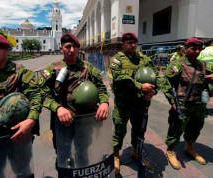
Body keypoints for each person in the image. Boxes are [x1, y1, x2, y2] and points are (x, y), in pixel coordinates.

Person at [0, 33, 42, 177]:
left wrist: (30, 120)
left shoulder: (21, 73)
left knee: (22, 172)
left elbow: (36, 97)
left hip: (16, 136)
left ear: (6, 50)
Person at [39, 33, 109, 168]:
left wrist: (105, 102)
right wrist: (57, 108)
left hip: (84, 121)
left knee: (83, 151)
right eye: (68, 46)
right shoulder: (52, 69)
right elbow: (42, 93)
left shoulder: (89, 68)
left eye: (74, 47)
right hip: (62, 122)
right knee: (63, 154)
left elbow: (101, 88)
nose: (71, 50)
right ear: (61, 49)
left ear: (78, 49)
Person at [161, 37, 213, 170]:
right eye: (193, 48)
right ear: (185, 49)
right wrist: (172, 101)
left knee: (196, 128)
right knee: (176, 128)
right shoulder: (177, 64)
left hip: (199, 104)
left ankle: (189, 147)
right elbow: (165, 82)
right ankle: (171, 150)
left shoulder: (203, 65)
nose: (196, 51)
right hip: (183, 105)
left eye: (198, 49)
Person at [110, 32, 158, 175]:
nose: (132, 45)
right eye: (128, 42)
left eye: (134, 42)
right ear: (123, 44)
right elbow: (119, 77)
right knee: (119, 130)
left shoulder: (143, 59)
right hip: (123, 104)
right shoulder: (117, 59)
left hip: (139, 104)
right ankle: (116, 155)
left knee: (138, 130)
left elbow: (155, 75)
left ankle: (136, 152)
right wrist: (139, 86)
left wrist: (153, 91)